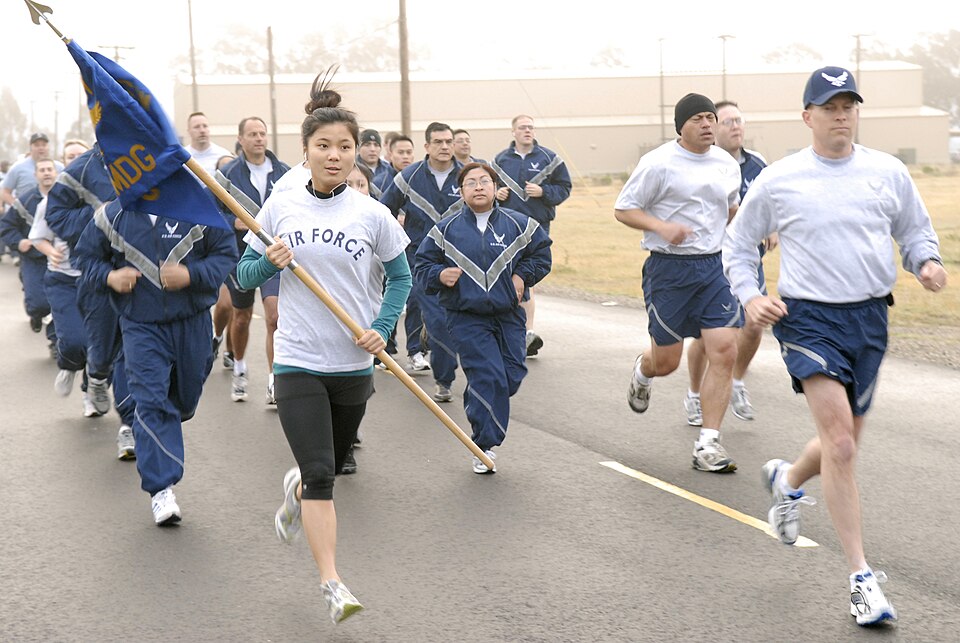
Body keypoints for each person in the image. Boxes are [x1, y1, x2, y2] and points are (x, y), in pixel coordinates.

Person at [723, 66, 947, 626]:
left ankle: (789, 479)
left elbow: (914, 228)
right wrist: (751, 297)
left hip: (870, 318)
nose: (841, 114)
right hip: (808, 320)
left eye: (848, 104)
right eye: (829, 106)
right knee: (842, 445)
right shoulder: (780, 179)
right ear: (808, 116)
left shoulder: (887, 172)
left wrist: (926, 260)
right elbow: (739, 242)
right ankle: (861, 581)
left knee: (842, 443)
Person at [236, 75, 411, 624]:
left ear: (357, 150)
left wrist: (382, 327)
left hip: (354, 363)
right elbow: (242, 277)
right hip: (297, 360)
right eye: (323, 146)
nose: (335, 156)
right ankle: (332, 581)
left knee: (326, 468)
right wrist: (270, 262)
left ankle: (296, 491)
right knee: (321, 475)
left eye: (344, 147)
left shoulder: (372, 214)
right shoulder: (281, 206)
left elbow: (401, 277)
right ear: (306, 151)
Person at [75, 198, 236, 525]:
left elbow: (225, 254)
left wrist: (191, 274)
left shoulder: (196, 205)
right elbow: (86, 257)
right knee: (150, 402)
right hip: (141, 325)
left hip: (192, 322)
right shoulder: (112, 214)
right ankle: (161, 490)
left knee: (183, 402)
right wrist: (110, 277)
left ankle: (170, 419)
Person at [615, 93, 742, 473]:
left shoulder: (725, 163)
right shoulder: (658, 163)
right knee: (667, 362)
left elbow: (730, 207)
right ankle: (643, 370)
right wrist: (661, 226)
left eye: (710, 117)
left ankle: (708, 444)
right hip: (668, 271)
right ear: (681, 126)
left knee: (724, 350)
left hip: (712, 269)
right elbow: (624, 209)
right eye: (699, 118)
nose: (707, 124)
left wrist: (752, 227)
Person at [415, 162, 551, 473]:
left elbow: (541, 255)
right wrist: (440, 274)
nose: (478, 186)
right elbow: (422, 267)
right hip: (466, 317)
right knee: (487, 375)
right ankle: (483, 445)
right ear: (461, 192)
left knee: (511, 375)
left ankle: (481, 395)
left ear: (495, 187)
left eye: (485, 181)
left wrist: (522, 277)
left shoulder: (520, 225)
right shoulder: (444, 230)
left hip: (508, 315)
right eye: (471, 182)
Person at [684, 100, 771, 426]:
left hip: (749, 258)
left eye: (739, 120)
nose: (735, 126)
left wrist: (772, 227)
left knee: (754, 323)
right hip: (712, 261)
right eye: (728, 121)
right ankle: (694, 393)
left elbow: (771, 202)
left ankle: (735, 380)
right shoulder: (702, 165)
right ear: (713, 128)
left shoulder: (758, 164)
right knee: (712, 334)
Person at [45, 143, 137, 455]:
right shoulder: (82, 168)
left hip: (140, 273)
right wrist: (97, 215)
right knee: (100, 351)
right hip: (97, 274)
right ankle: (96, 375)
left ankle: (128, 425)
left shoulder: (147, 157)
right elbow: (56, 215)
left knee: (131, 352)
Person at [381, 122, 464, 401]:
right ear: (427, 146)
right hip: (421, 260)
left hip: (461, 262)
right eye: (438, 142)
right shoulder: (409, 176)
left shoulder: (467, 175)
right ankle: (444, 380)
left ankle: (435, 344)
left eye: (448, 141)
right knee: (438, 319)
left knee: (457, 320)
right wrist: (393, 240)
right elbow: (383, 211)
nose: (444, 147)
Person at [218, 116, 290, 404]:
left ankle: (274, 381)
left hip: (275, 254)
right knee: (242, 317)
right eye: (253, 134)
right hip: (241, 256)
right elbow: (208, 213)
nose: (259, 138)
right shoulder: (226, 175)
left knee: (274, 318)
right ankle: (239, 367)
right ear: (241, 139)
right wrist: (230, 223)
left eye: (262, 133)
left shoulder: (284, 173)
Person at [492, 115, 571, 356]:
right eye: (522, 127)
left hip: (537, 228)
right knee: (509, 277)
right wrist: (498, 194)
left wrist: (544, 191)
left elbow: (565, 188)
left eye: (530, 127)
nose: (527, 131)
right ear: (513, 131)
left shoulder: (549, 158)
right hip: (505, 228)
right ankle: (514, 331)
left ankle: (524, 333)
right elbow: (487, 187)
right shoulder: (500, 160)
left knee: (526, 278)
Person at [0, 158, 58, 352]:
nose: (47, 173)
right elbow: (6, 226)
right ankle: (35, 313)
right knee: (39, 303)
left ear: (56, 173)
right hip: (33, 259)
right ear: (36, 175)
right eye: (42, 170)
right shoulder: (25, 201)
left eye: (50, 169)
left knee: (61, 302)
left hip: (59, 260)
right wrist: (19, 242)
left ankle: (55, 339)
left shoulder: (66, 197)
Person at [184, 112, 232, 177]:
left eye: (205, 126)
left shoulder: (223, 156)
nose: (202, 130)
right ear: (188, 131)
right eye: (197, 127)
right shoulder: (182, 157)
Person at [356, 129, 394, 199]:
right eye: (367, 145)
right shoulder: (353, 169)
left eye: (376, 145)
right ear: (358, 148)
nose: (372, 149)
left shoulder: (388, 169)